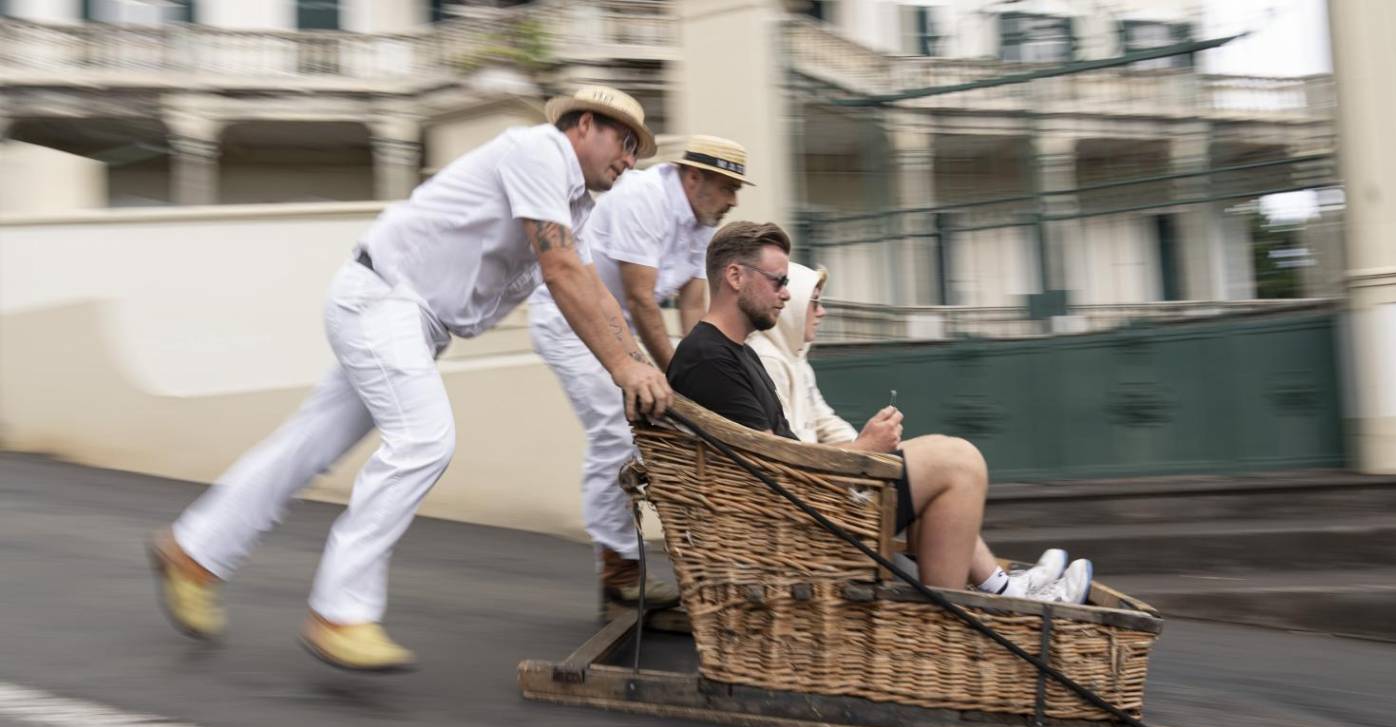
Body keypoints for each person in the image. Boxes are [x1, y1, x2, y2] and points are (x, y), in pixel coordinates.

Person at [146, 86, 673, 672]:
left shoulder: (576, 205)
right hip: (385, 300)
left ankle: (192, 552)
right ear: (584, 126)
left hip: (408, 319)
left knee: (307, 445)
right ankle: (340, 613)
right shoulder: (539, 152)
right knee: (424, 440)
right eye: (625, 142)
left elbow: (590, 286)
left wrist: (639, 366)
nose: (630, 160)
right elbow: (561, 268)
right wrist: (625, 366)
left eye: (637, 150)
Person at [668, 223, 1091, 602]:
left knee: (945, 461)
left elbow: (779, 454)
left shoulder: (736, 354)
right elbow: (773, 471)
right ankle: (960, 617)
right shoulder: (709, 358)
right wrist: (862, 449)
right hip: (797, 524)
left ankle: (988, 599)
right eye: (778, 281)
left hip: (810, 508)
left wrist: (864, 451)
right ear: (735, 277)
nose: (785, 293)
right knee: (959, 463)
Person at [528, 136, 750, 617]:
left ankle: (675, 562)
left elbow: (693, 304)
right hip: (570, 322)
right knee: (616, 426)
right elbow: (641, 299)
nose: (734, 199)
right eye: (728, 186)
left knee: (658, 426)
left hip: (616, 325)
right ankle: (619, 572)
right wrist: (675, 379)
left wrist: (700, 380)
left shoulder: (701, 221)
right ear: (694, 177)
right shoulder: (643, 197)